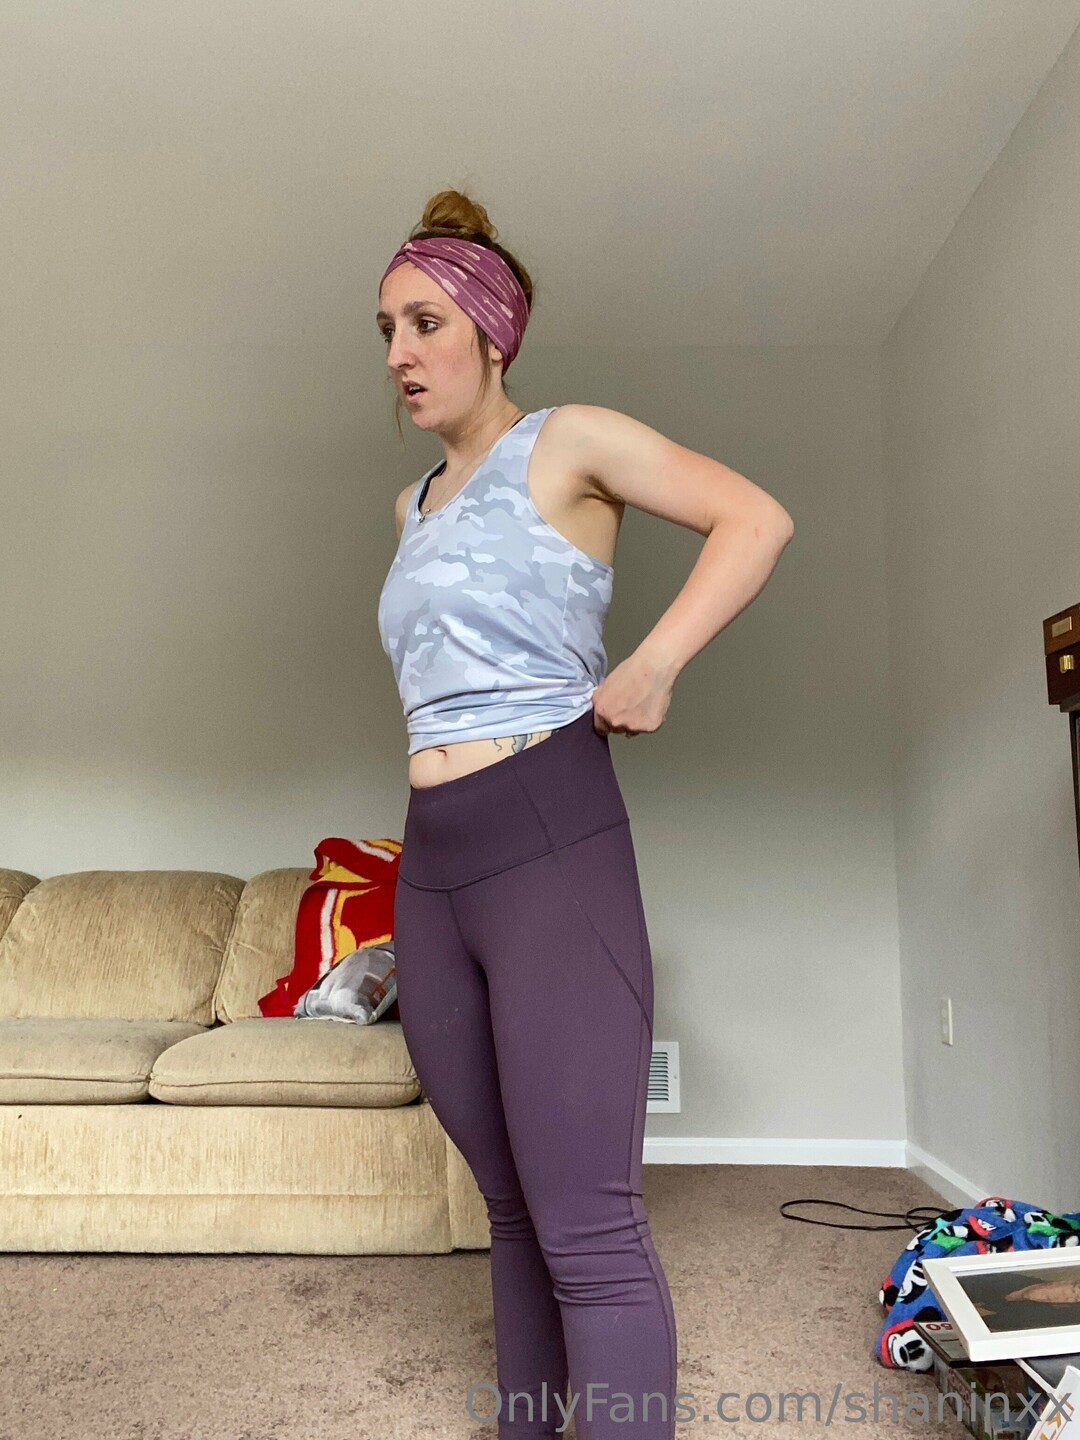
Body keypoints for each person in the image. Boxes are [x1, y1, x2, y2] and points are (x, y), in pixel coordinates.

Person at [376, 189, 795, 1440]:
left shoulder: (568, 442)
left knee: (588, 1225)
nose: (400, 352)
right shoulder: (410, 506)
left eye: (426, 322)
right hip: (434, 865)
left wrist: (655, 663)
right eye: (387, 328)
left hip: (549, 838)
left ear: (492, 332)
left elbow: (755, 517)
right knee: (508, 1210)